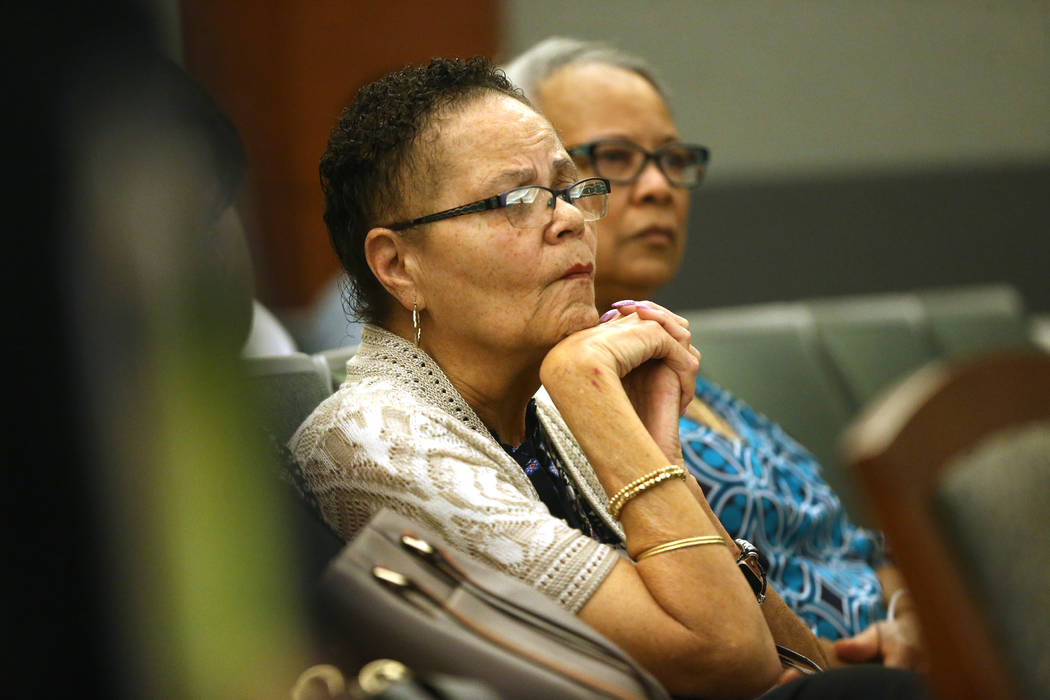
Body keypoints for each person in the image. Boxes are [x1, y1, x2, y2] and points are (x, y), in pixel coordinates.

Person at [291, 56, 928, 699]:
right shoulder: (371, 437)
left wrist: (657, 447)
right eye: (515, 201)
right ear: (397, 265)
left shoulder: (547, 408)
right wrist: (592, 388)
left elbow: (794, 656)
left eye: (570, 190)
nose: (569, 219)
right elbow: (731, 661)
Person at [502, 37, 923, 670]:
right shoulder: (552, 405)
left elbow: (850, 550)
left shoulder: (677, 363)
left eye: (673, 159)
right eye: (615, 156)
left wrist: (927, 621)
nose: (658, 187)